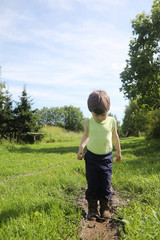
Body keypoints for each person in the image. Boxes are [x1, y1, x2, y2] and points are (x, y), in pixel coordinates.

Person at [77, 90, 122, 220]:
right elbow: (86, 135)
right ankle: (92, 209)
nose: (100, 118)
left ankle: (104, 208)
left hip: (106, 158)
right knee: (92, 184)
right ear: (90, 111)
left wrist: (118, 152)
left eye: (103, 115)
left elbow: (115, 137)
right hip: (91, 158)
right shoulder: (89, 121)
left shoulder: (112, 121)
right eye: (96, 115)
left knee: (105, 184)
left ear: (108, 109)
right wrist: (81, 148)